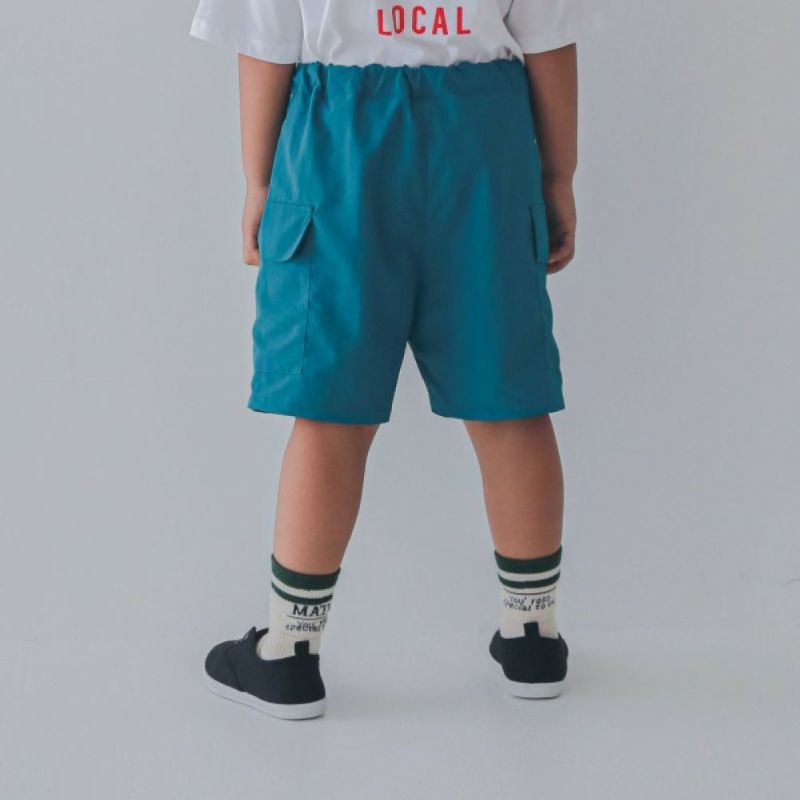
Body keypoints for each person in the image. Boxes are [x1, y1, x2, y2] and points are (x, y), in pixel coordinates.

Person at [190, 0, 601, 720]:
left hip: (338, 144)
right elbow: (548, 40)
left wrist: (258, 181)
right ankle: (533, 638)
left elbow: (265, 44)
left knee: (330, 411)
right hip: (482, 142)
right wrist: (558, 175)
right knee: (507, 400)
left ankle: (289, 650)